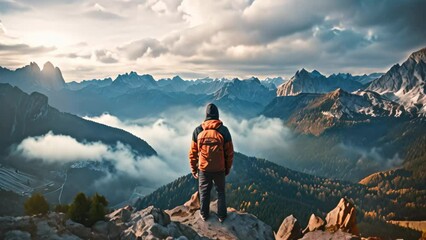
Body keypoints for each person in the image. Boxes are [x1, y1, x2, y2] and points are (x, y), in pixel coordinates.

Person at [189, 103, 234, 223]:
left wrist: (194, 169)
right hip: (219, 168)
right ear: (217, 115)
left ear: (206, 115)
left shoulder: (198, 130)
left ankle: (204, 215)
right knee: (220, 192)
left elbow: (193, 154)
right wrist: (227, 168)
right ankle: (222, 216)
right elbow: (229, 153)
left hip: (204, 169)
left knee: (204, 192)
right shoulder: (223, 130)